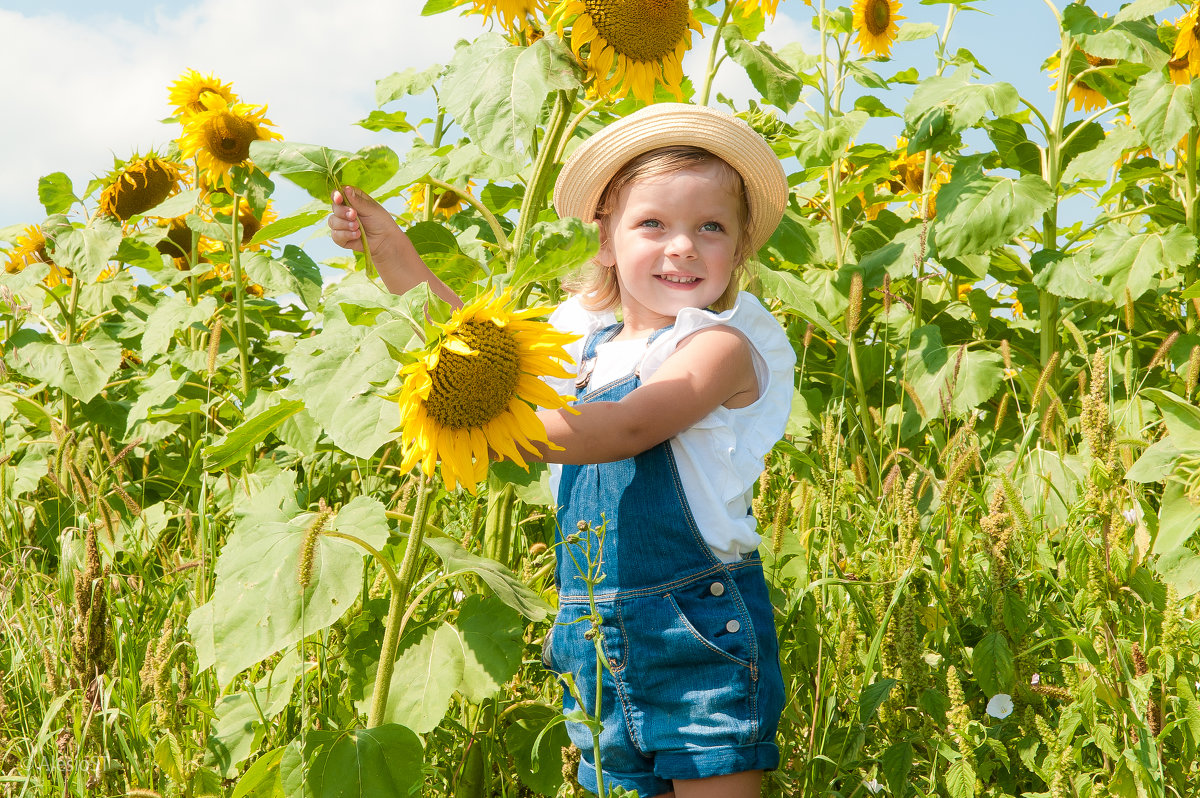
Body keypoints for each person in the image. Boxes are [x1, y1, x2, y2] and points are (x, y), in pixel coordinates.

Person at [329, 102, 795, 798]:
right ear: (606, 240)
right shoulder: (582, 347)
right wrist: (390, 248)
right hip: (592, 634)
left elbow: (630, 428)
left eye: (711, 227)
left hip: (696, 629)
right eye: (653, 224)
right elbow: (465, 340)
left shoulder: (720, 347)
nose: (683, 246)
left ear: (740, 248)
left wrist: (486, 416)